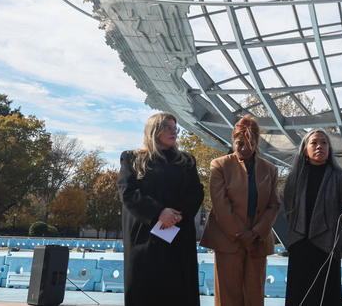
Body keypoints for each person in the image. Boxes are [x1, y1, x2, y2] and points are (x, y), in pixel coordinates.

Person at [117, 112, 205, 306]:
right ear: (154, 131)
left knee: (178, 291)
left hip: (178, 235)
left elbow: (196, 192)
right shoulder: (131, 158)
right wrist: (158, 213)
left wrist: (176, 216)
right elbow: (128, 192)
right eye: (169, 128)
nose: (174, 133)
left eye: (176, 129)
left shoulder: (187, 161)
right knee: (145, 289)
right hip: (145, 238)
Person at [200, 116, 281, 306]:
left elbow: (274, 205)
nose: (244, 148)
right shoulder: (219, 165)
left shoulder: (270, 169)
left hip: (258, 241)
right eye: (239, 143)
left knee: (255, 297)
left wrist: (255, 234)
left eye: (249, 143)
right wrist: (242, 236)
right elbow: (221, 205)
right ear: (233, 141)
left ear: (256, 142)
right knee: (227, 298)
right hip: (228, 240)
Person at [283, 128, 342, 306]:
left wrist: (336, 242)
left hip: (326, 247)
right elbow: (290, 210)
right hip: (300, 245)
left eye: (324, 142)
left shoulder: (339, 177)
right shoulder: (294, 178)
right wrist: (295, 239)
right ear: (305, 149)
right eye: (314, 142)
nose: (319, 146)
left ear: (329, 149)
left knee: (326, 298)